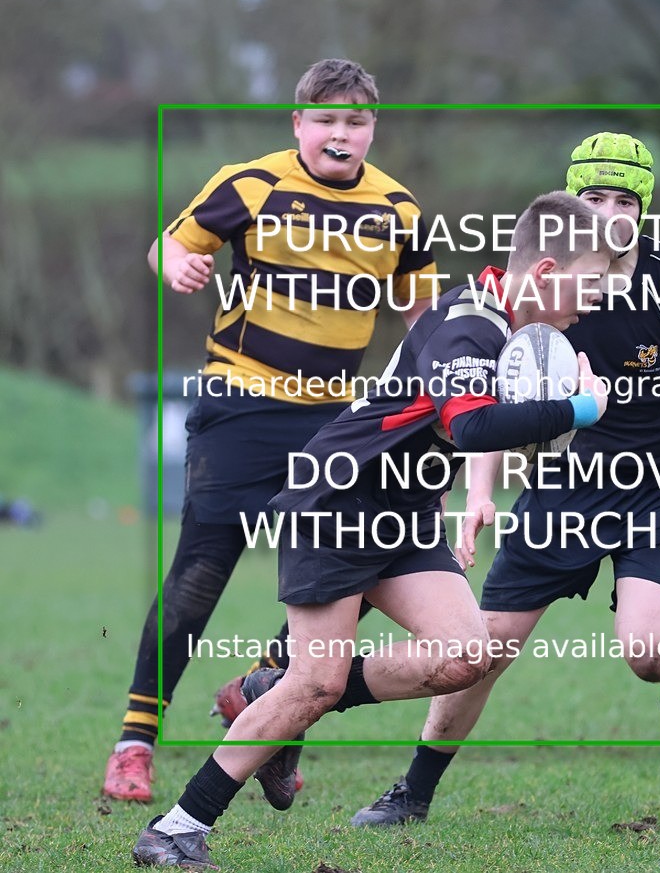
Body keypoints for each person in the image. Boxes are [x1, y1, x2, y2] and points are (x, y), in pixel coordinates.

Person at [130, 190, 616, 868]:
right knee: (317, 684)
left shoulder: (504, 326)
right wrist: (579, 408)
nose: (594, 299)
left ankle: (276, 691)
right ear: (544, 273)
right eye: (590, 283)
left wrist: (456, 493)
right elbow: (473, 424)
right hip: (336, 502)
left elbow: (445, 427)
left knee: (467, 654)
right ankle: (177, 827)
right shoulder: (471, 324)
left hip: (400, 512)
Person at [349, 132, 660, 828]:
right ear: (570, 205)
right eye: (595, 198)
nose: (612, 213)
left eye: (625, 199)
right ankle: (414, 790)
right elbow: (495, 398)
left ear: (644, 207)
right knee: (485, 645)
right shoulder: (543, 285)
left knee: (647, 648)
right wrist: (480, 494)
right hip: (563, 487)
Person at [103, 58, 440, 803]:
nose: (340, 133)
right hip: (242, 406)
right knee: (200, 571)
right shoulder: (250, 182)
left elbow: (423, 321)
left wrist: (441, 385)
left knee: (342, 577)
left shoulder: (401, 209)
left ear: (371, 128)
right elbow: (169, 245)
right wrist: (181, 268)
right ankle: (135, 739)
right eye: (325, 119)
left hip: (336, 420)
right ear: (299, 125)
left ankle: (265, 699)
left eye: (354, 120)